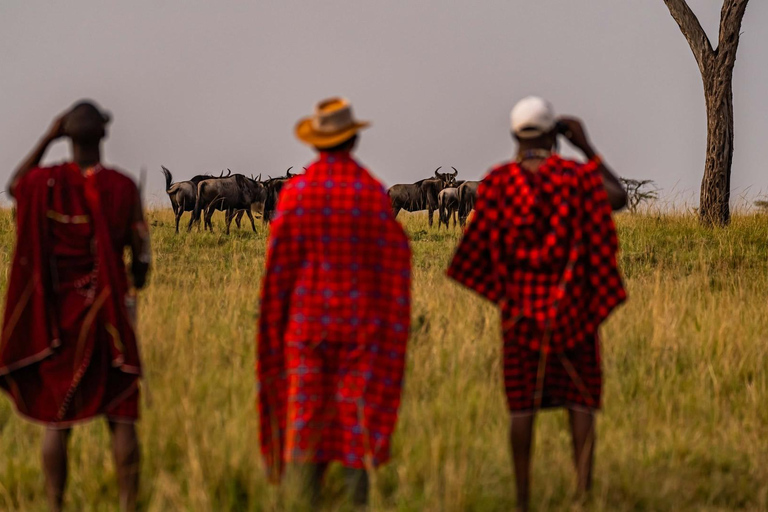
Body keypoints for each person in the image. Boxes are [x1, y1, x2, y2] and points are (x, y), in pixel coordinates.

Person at [446, 96, 627, 512]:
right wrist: (587, 147)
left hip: (519, 321)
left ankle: (523, 499)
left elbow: (473, 257)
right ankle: (581, 496)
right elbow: (617, 197)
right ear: (554, 135)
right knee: (581, 401)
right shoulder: (577, 178)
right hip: (577, 317)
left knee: (521, 407)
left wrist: (510, 297)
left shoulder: (497, 183)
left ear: (514, 134)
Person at [257, 97, 411, 506]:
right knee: (355, 428)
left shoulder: (296, 195)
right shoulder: (373, 194)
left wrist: (274, 333)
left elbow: (278, 275)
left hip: (306, 333)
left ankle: (305, 504)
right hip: (362, 333)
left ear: (315, 144)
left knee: (306, 425)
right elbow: (396, 271)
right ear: (354, 140)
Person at [1, 101, 151, 512]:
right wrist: (138, 277)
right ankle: (128, 504)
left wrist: (49, 135)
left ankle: (55, 505)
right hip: (109, 322)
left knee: (57, 418)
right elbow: (141, 256)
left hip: (59, 322)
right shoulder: (121, 187)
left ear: (66, 136)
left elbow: (15, 184)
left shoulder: (44, 183)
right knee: (122, 414)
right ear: (103, 135)